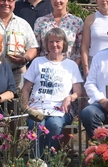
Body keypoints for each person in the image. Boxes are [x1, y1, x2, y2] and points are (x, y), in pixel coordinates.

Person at [21, 28, 83, 158]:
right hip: (37, 109)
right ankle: (36, 162)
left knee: (53, 125)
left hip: (60, 111)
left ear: (64, 43)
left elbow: (78, 91)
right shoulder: (38, 62)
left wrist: (70, 97)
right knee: (36, 125)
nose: (54, 45)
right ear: (46, 44)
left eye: (58, 41)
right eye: (51, 41)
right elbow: (25, 89)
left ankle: (49, 160)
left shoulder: (71, 65)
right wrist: (26, 107)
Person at [34, 0, 83, 65]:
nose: (57, 1)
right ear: (50, 0)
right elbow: (36, 49)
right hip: (46, 68)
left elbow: (80, 50)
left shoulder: (77, 22)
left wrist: (74, 69)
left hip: (69, 69)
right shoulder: (41, 22)